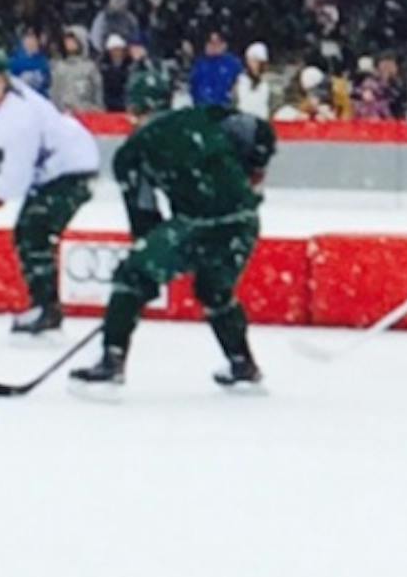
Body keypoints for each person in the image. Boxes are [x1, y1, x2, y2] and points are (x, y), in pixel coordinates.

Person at [69, 70, 276, 389]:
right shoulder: (207, 114)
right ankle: (242, 363)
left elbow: (144, 214)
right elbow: (260, 133)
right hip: (244, 219)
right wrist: (250, 173)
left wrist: (142, 279)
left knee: (131, 275)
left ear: (133, 110)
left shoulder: (132, 153)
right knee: (214, 291)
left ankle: (112, 359)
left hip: (198, 222)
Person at [0, 44, 100, 335]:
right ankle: (45, 306)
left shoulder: (19, 114)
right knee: (29, 232)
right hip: (51, 169)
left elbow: (17, 176)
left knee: (34, 230)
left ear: (4, 79)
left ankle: (47, 309)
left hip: (71, 168)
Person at [50, 26, 104, 113]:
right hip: (64, 116)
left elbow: (98, 95)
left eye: (72, 40)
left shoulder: (90, 67)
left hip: (87, 115)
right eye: (67, 41)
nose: (69, 43)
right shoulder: (59, 67)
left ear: (81, 42)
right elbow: (55, 95)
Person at [189, 29, 244, 108]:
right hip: (202, 108)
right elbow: (193, 86)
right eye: (210, 43)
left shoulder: (233, 63)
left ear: (224, 45)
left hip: (224, 109)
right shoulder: (199, 64)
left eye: (216, 43)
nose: (213, 46)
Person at [8, 27, 51, 96]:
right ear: (23, 40)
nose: (31, 41)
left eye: (33, 38)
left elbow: (47, 82)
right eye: (28, 37)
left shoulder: (43, 61)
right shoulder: (15, 60)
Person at [237, 41, 273, 119]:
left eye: (256, 61)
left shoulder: (269, 81)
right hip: (244, 120)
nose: (253, 64)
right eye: (251, 60)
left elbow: (274, 104)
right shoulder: (241, 80)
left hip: (263, 121)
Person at [100, 34, 132, 113]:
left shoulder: (130, 65)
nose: (116, 53)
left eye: (119, 49)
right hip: (109, 105)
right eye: (114, 50)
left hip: (126, 105)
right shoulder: (103, 68)